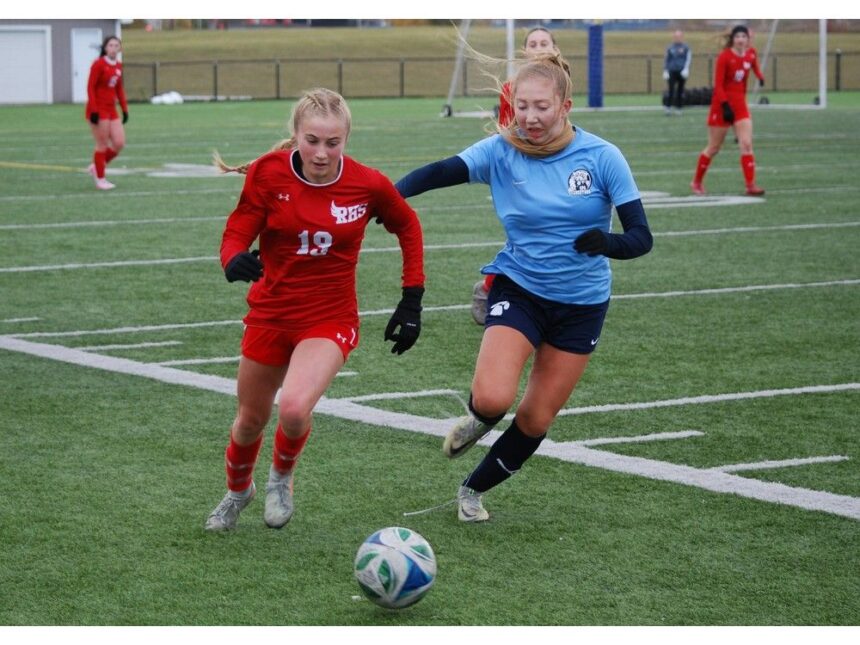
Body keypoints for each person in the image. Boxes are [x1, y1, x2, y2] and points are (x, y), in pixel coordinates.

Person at [395, 53, 653, 522]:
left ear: (565, 105)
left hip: (582, 305)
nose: (530, 118)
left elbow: (641, 237)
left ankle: (471, 490)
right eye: (522, 106)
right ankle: (478, 419)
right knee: (493, 399)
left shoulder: (602, 157)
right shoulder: (501, 149)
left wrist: (606, 242)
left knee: (535, 419)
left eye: (542, 107)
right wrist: (388, 196)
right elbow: (438, 172)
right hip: (521, 288)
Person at [204, 88, 426, 532]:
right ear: (295, 136)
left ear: (346, 140)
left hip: (329, 318)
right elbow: (239, 226)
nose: (321, 153)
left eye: (332, 142)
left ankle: (281, 480)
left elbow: (408, 225)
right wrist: (231, 258)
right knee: (249, 420)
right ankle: (237, 491)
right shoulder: (269, 173)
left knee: (293, 408)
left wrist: (411, 297)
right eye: (311, 140)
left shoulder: (368, 184)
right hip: (270, 313)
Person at [474, 27, 567, 326]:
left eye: (544, 42)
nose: (539, 47)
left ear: (554, 47)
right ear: (525, 51)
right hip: (524, 170)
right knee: (526, 235)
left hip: (556, 169)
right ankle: (489, 287)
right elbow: (505, 134)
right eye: (533, 43)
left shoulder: (563, 83)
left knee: (551, 232)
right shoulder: (511, 88)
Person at [691, 25, 766, 196]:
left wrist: (760, 77)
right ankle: (696, 182)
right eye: (737, 36)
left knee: (746, 144)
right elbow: (718, 85)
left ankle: (750, 185)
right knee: (714, 148)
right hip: (721, 106)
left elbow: (754, 65)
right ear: (733, 39)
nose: (740, 39)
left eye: (743, 36)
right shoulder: (725, 57)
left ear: (748, 39)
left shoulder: (751, 53)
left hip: (740, 106)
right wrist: (725, 106)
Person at [85, 36, 128, 191]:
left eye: (117, 45)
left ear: (119, 49)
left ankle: (96, 166)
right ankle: (101, 179)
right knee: (101, 144)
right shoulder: (98, 64)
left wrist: (124, 108)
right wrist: (94, 110)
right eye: (110, 45)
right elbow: (90, 87)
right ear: (105, 48)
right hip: (98, 109)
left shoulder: (118, 65)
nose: (114, 48)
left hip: (111, 109)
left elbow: (119, 89)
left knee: (119, 143)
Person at [663, 30, 692, 115]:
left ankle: (679, 108)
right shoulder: (670, 47)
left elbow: (688, 58)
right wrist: (665, 70)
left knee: (680, 90)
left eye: (679, 36)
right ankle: (668, 107)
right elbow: (666, 59)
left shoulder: (686, 47)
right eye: (676, 36)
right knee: (671, 90)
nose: (677, 38)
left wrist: (686, 69)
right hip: (672, 71)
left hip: (682, 71)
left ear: (682, 37)